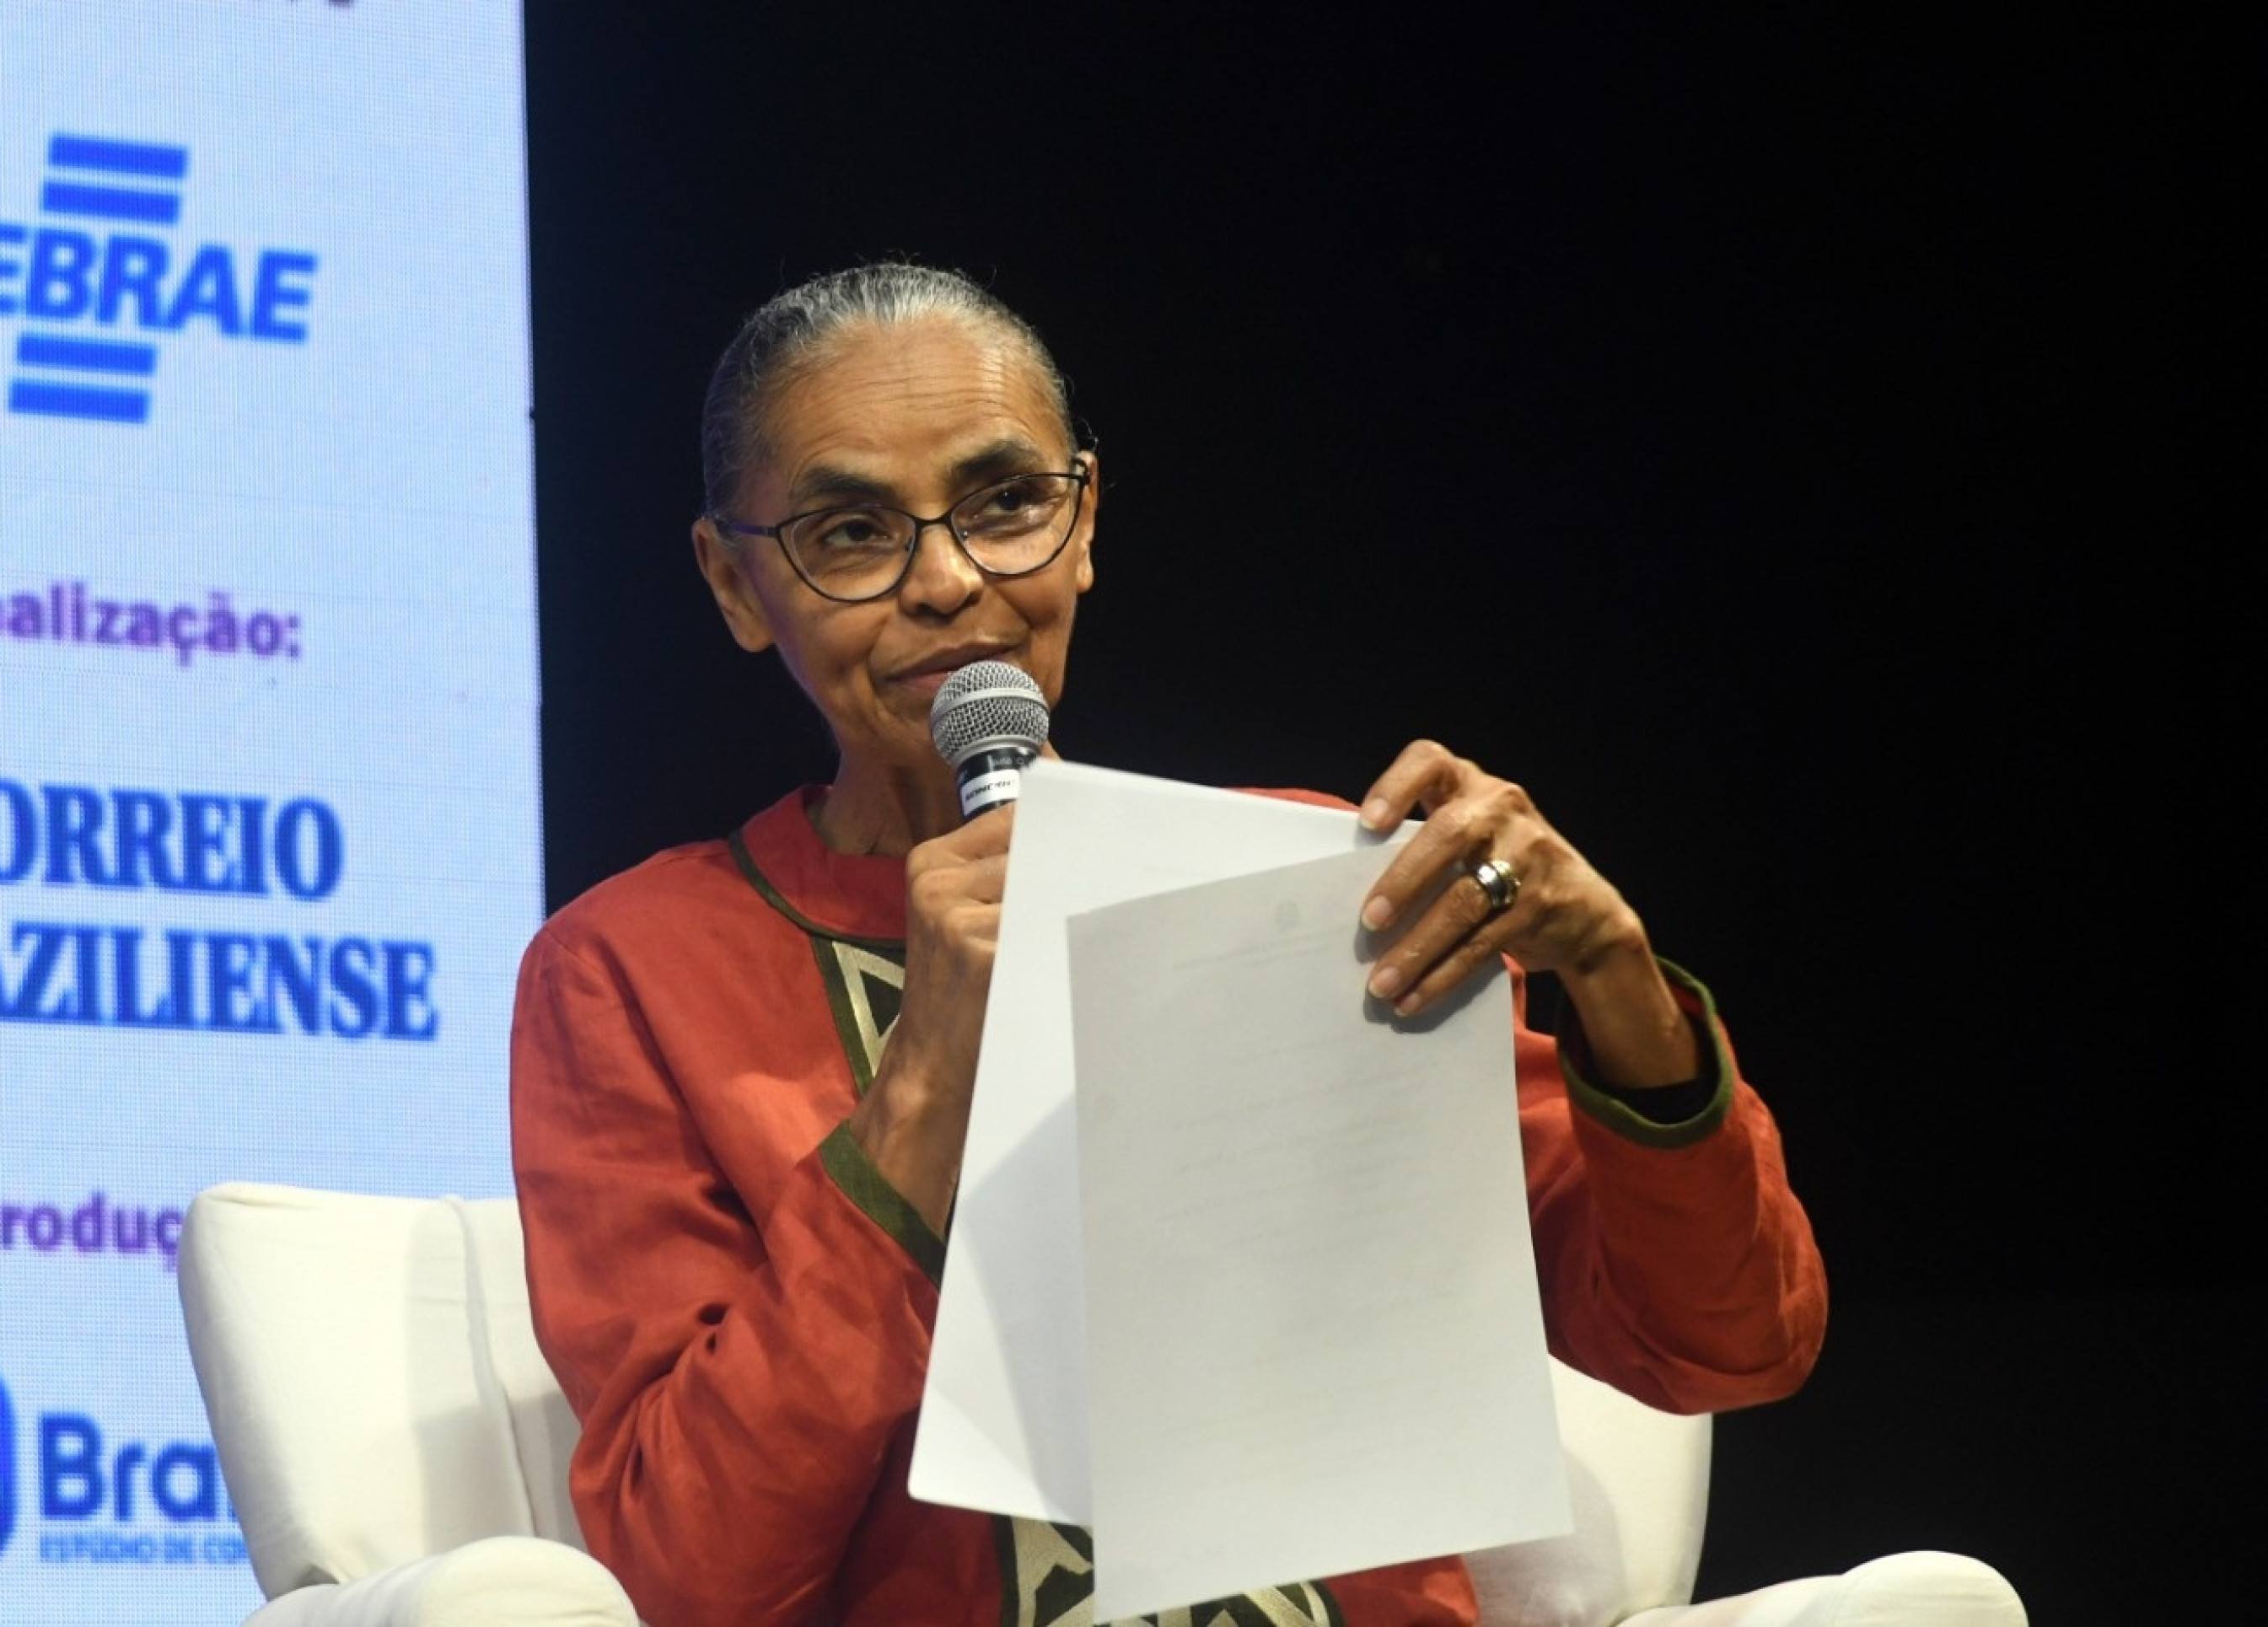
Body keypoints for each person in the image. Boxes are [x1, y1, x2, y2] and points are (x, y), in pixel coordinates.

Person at [509, 262, 1826, 1627]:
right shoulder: (632, 969)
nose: (949, 580)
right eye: (851, 531)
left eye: (1005, 504)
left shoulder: (1312, 884)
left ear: (1083, 521)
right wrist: (922, 1092)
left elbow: (1730, 1341)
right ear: (736, 584)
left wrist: (1613, 976)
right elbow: (690, 1574)